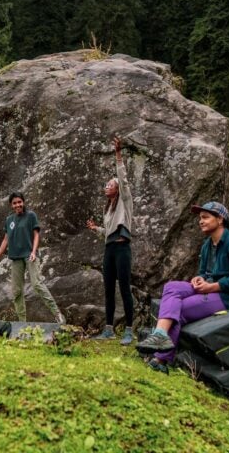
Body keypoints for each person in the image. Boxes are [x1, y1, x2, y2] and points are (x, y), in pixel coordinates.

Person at [136, 201, 229, 372]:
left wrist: (211, 287)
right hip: (211, 286)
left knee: (180, 309)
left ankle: (161, 360)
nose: (201, 221)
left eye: (206, 217)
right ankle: (160, 335)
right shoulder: (208, 245)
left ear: (220, 219)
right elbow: (205, 272)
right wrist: (198, 279)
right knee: (172, 286)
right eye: (200, 218)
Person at [86, 136, 135, 346]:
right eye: (106, 185)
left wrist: (118, 154)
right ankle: (108, 329)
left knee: (124, 288)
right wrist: (96, 228)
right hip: (109, 250)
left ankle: (129, 330)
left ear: (117, 189)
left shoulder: (125, 199)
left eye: (110, 184)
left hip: (123, 249)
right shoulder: (108, 209)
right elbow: (109, 231)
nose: (106, 187)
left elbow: (122, 178)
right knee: (108, 289)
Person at [0, 192, 66, 324]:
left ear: (23, 202)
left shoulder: (31, 216)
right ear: (11, 205)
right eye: (14, 203)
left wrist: (34, 252)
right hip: (16, 258)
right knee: (17, 291)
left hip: (30, 255)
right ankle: (22, 323)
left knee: (36, 284)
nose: (17, 205)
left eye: (19, 202)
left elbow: (36, 235)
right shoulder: (9, 220)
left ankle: (58, 314)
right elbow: (5, 240)